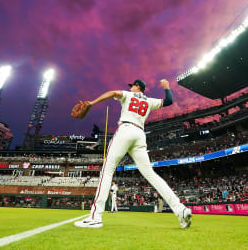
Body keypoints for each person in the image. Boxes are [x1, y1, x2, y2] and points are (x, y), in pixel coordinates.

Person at [74, 79, 192, 229]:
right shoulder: (149, 101)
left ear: (138, 87)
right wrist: (167, 87)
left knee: (108, 169)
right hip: (139, 134)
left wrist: (91, 102)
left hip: (126, 129)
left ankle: (95, 217)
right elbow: (169, 101)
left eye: (133, 86)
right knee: (150, 174)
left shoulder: (128, 95)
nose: (130, 88)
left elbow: (112, 93)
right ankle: (180, 210)